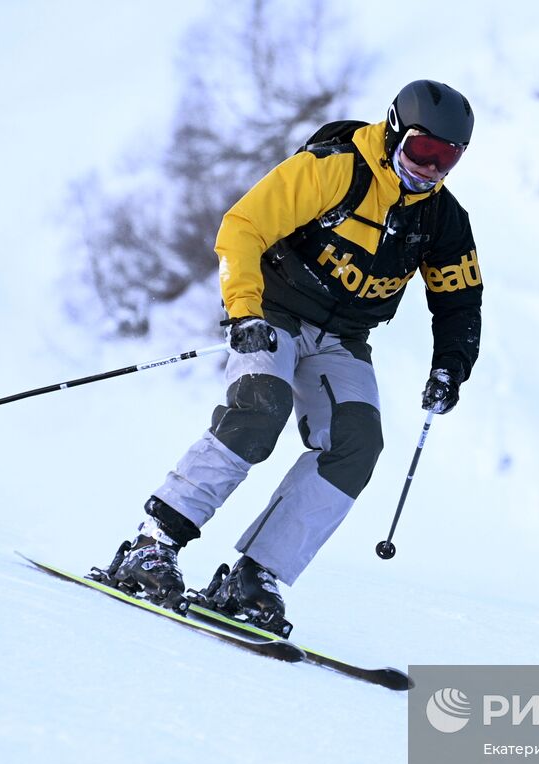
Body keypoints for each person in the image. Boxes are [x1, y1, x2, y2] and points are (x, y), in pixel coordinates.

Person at [102, 79, 483, 633]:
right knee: (260, 409)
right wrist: (245, 311)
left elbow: (459, 299)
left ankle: (254, 576)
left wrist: (451, 365)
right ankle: (151, 546)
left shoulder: (442, 219)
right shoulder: (334, 169)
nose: (432, 169)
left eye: (448, 158)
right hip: (275, 312)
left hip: (345, 339)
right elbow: (243, 226)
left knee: (356, 444)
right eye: (424, 151)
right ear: (397, 131)